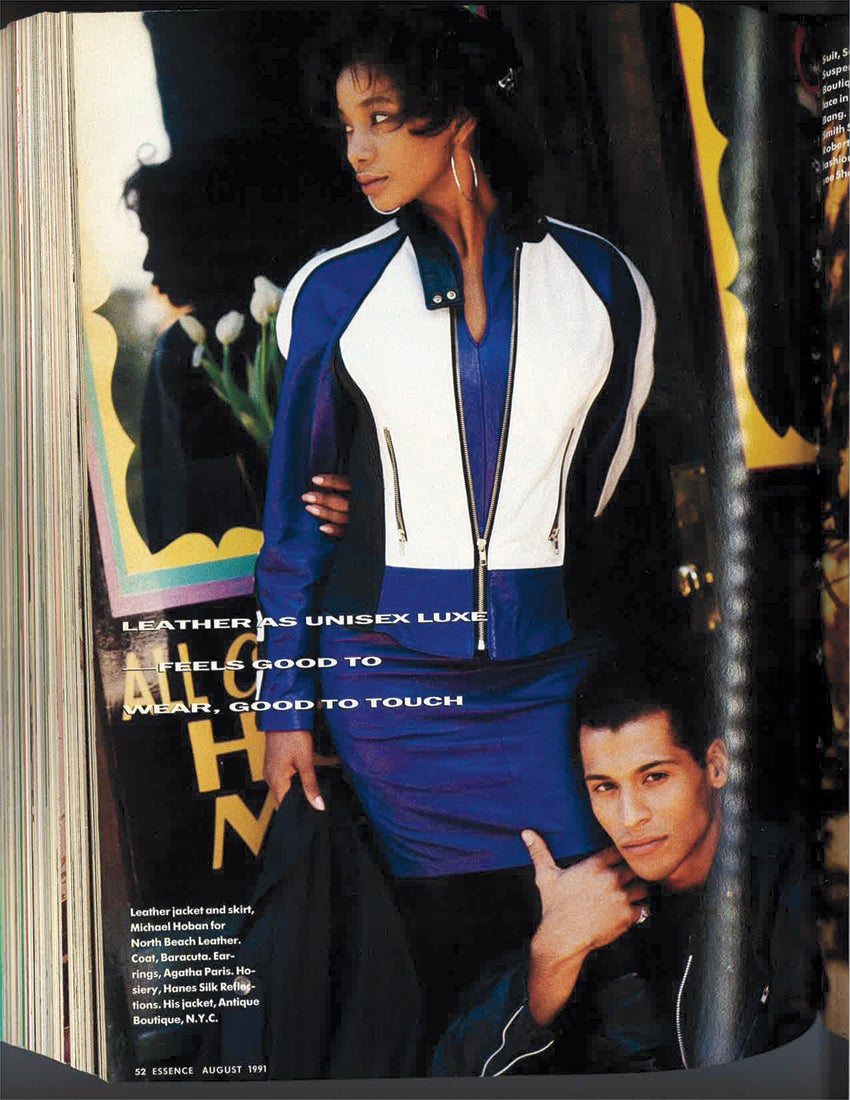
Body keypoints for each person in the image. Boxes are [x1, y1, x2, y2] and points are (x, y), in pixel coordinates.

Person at [255, 4, 655, 1048]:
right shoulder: (334, 293)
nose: (357, 150)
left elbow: (603, 485)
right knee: (448, 959)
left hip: (554, 681)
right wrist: (285, 703)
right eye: (348, 125)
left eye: (383, 119)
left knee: (610, 947)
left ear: (460, 116)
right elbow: (293, 522)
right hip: (395, 698)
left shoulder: (604, 284)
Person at [431, 649, 823, 1075]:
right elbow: (450, 1075)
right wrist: (554, 953)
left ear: (716, 765)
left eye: (654, 777)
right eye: (605, 787)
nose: (630, 816)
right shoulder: (587, 902)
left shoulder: (796, 891)